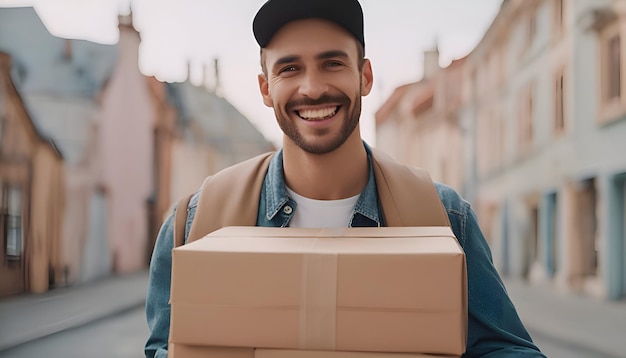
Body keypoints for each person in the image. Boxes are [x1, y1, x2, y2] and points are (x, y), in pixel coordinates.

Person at [145, 0, 546, 357]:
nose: (313, 88)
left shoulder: (446, 217)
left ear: (365, 77)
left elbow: (506, 348)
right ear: (266, 88)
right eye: (290, 68)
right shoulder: (193, 224)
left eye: (332, 63)